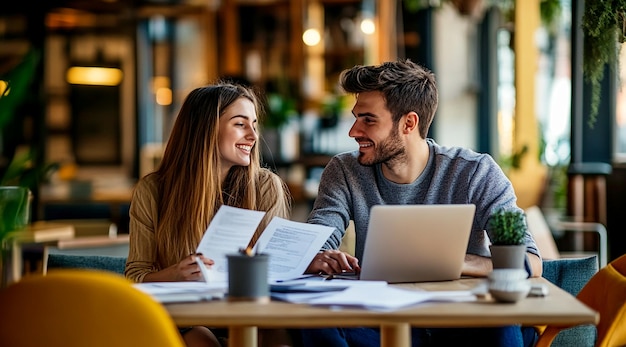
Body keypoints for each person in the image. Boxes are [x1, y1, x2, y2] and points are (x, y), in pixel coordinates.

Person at [299, 59, 542, 347]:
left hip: (463, 321)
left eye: (368, 119)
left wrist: (451, 263)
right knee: (311, 322)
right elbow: (319, 236)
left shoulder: (475, 172)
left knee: (502, 323)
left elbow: (530, 261)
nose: (353, 131)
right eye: (356, 117)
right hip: (382, 323)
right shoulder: (344, 171)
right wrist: (318, 256)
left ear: (409, 123)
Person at [125, 82, 292, 347]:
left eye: (254, 124)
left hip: (252, 316)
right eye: (240, 124)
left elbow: (278, 268)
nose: (253, 135)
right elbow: (135, 276)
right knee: (199, 338)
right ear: (204, 129)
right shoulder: (153, 190)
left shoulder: (265, 187)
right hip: (187, 319)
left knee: (276, 338)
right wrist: (174, 274)